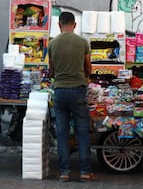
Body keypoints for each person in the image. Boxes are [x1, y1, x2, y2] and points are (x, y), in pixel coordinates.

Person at [48, 12, 95, 182]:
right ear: (74, 25)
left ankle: (64, 172)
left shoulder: (52, 44)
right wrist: (84, 77)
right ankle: (84, 171)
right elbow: (88, 67)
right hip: (78, 90)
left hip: (60, 91)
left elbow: (51, 70)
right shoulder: (83, 42)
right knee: (82, 131)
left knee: (62, 133)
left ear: (59, 25)